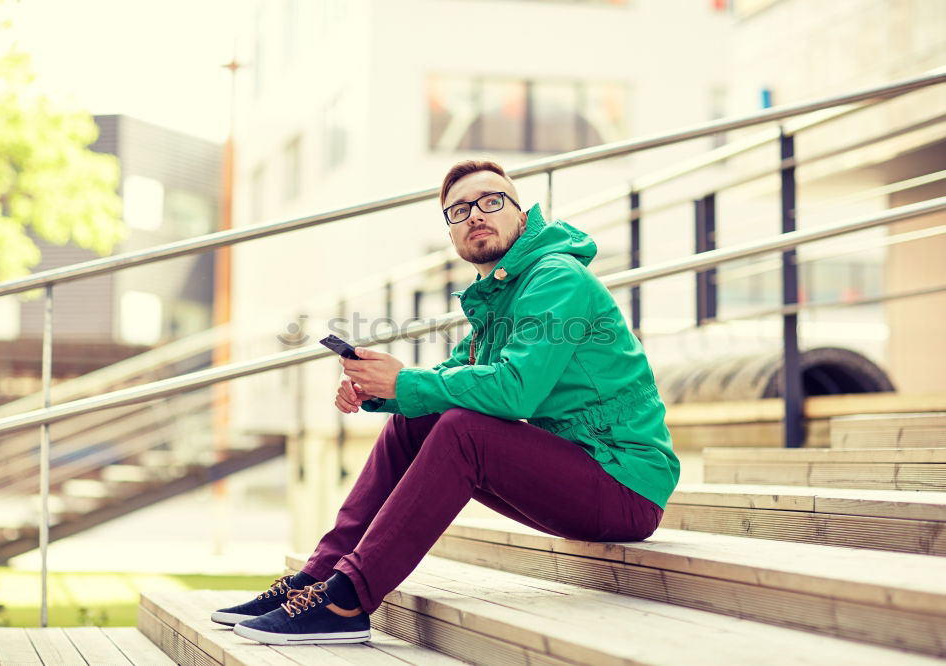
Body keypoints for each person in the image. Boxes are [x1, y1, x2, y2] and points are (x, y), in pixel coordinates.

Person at [212, 160, 680, 646]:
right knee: (426, 417)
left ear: (522, 216)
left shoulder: (556, 277)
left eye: (491, 201)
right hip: (577, 471)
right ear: (452, 233)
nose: (476, 214)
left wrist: (405, 383)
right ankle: (316, 581)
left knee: (463, 430)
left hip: (624, 483)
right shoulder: (500, 294)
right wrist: (380, 388)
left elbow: (516, 390)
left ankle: (348, 599)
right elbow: (449, 378)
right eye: (459, 210)